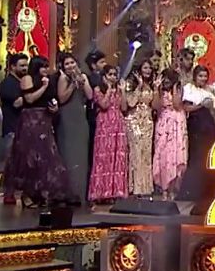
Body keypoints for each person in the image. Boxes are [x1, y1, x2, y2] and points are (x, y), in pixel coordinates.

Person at [2, 55, 71, 207]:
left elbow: (52, 99)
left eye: (47, 66)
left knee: (47, 158)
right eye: (43, 67)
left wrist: (54, 108)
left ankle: (42, 194)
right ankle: (27, 195)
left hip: (45, 121)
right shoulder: (28, 79)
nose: (46, 69)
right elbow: (30, 99)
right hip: (31, 121)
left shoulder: (49, 80)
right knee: (30, 159)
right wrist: (43, 87)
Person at [56, 52, 95, 205]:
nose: (70, 66)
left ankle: (80, 193)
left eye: (72, 63)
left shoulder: (83, 77)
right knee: (68, 155)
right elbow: (62, 98)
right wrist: (72, 84)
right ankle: (68, 193)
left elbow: (90, 96)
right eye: (67, 64)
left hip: (80, 119)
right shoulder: (63, 79)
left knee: (81, 156)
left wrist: (82, 80)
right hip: (67, 119)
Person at [88, 65, 128, 204]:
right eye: (110, 74)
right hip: (104, 125)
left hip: (118, 124)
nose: (113, 77)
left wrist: (122, 92)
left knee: (116, 157)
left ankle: (115, 192)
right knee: (104, 157)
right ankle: (101, 193)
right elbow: (104, 105)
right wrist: (109, 90)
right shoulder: (98, 90)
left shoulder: (118, 90)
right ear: (104, 76)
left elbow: (124, 107)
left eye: (115, 75)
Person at [179, 66, 215, 203]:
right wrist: (201, 105)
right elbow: (186, 108)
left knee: (206, 156)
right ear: (195, 76)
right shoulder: (189, 89)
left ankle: (206, 191)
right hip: (195, 124)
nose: (203, 78)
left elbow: (214, 109)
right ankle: (191, 191)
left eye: (205, 76)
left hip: (208, 124)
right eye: (200, 76)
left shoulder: (210, 90)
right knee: (196, 156)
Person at [0, 52, 28, 205]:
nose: (25, 68)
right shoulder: (8, 84)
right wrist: (32, 94)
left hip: (24, 127)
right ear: (12, 67)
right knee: (11, 162)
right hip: (12, 128)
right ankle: (8, 193)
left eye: (26, 65)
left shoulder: (25, 82)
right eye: (22, 66)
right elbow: (17, 103)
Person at [123, 61, 157, 196]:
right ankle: (134, 187)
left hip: (147, 121)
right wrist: (140, 86)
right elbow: (131, 103)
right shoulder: (131, 84)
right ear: (139, 69)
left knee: (146, 154)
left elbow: (154, 105)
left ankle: (145, 187)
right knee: (136, 152)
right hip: (134, 120)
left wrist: (156, 88)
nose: (148, 70)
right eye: (145, 67)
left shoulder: (152, 84)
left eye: (150, 68)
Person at [152, 70, 187, 199]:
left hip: (177, 121)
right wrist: (156, 89)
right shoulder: (160, 90)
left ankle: (173, 189)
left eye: (168, 78)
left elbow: (177, 105)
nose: (165, 81)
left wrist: (175, 89)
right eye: (163, 78)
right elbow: (156, 106)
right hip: (163, 121)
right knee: (162, 154)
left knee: (175, 155)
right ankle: (164, 189)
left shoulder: (178, 89)